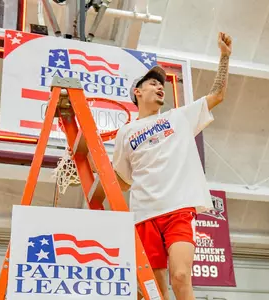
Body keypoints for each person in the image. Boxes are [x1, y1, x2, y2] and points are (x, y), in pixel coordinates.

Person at [111, 32, 232, 300]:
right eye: (153, 83)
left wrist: (224, 57)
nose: (159, 87)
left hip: (178, 210)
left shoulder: (178, 117)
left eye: (161, 84)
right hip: (145, 215)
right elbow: (122, 181)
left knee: (180, 276)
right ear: (138, 92)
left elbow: (218, 94)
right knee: (154, 293)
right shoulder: (125, 132)